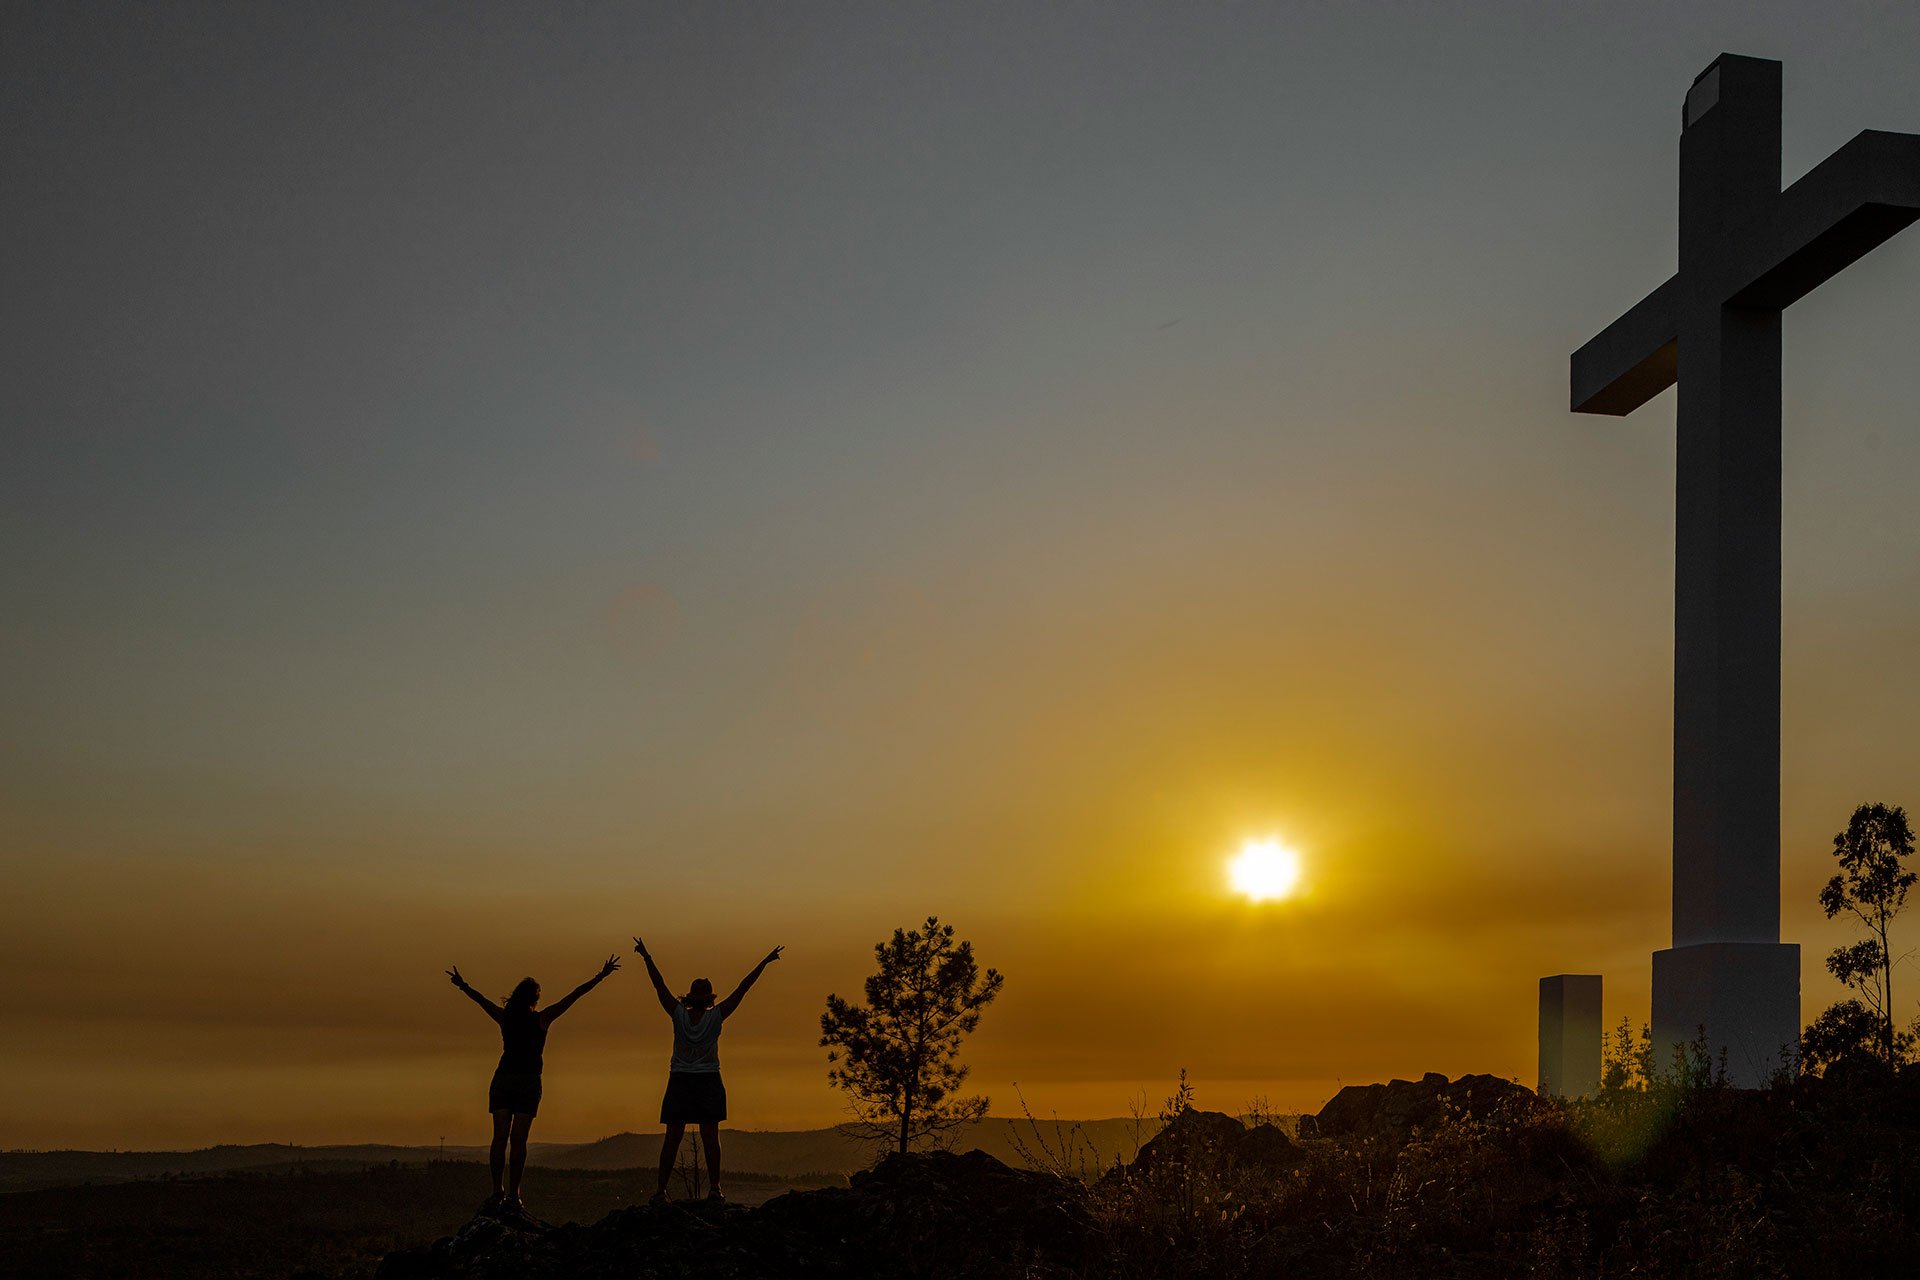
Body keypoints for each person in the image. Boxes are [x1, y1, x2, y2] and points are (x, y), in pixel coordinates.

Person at [446, 955, 619, 1214]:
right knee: (518, 1140)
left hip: (504, 1079)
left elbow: (481, 1001)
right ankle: (514, 1193)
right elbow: (572, 997)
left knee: (500, 1138)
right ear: (534, 999)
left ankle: (498, 1191)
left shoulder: (506, 1017)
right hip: (527, 1082)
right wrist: (600, 976)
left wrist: (463, 985)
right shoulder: (542, 1019)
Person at [632, 935, 782, 1203]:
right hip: (709, 1079)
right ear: (710, 998)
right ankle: (715, 1189)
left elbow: (659, 986)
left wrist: (646, 957)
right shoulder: (716, 1016)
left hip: (679, 1079)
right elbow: (742, 988)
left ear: (690, 997)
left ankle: (660, 1191)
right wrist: (765, 962)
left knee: (672, 1138)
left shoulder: (678, 1014)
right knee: (710, 1137)